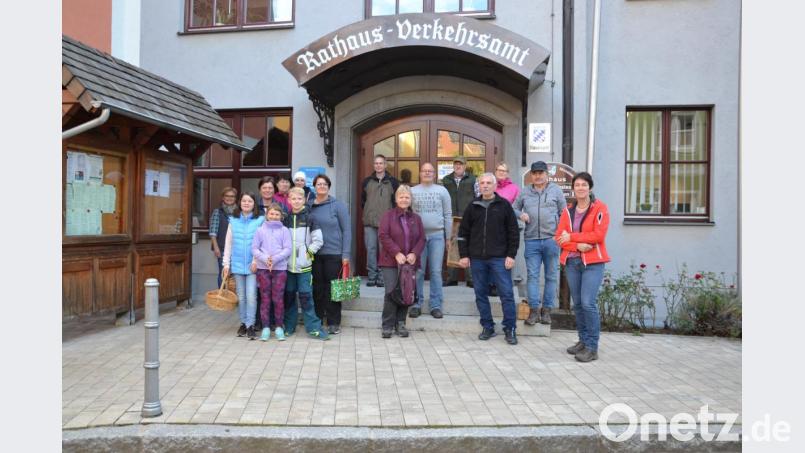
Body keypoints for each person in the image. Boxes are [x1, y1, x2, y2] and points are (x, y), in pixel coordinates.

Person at [457, 173, 520, 345]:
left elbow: (513, 233)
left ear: (494, 185)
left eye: (488, 183)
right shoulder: (473, 206)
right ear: (479, 186)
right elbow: (463, 234)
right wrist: (464, 255)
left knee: (506, 294)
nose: (485, 186)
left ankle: (510, 328)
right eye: (482, 183)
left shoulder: (504, 206)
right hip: (477, 259)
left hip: (500, 258)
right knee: (480, 294)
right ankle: (488, 326)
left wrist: (511, 255)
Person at [555, 172, 610, 363]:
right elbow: (559, 238)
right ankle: (583, 341)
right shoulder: (567, 211)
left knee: (588, 303)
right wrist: (575, 245)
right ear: (573, 188)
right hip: (572, 262)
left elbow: (598, 236)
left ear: (590, 187)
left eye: (584, 185)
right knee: (577, 304)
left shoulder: (600, 208)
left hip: (593, 263)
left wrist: (572, 237)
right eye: (577, 185)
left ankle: (592, 347)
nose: (580, 188)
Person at [512, 161, 567, 325]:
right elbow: (513, 208)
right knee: (533, 277)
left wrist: (559, 234)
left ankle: (547, 311)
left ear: (546, 174)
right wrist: (520, 214)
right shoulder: (525, 192)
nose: (537, 176)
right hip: (531, 240)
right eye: (534, 173)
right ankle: (534, 311)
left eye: (540, 173)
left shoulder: (555, 191)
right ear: (531, 175)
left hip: (551, 240)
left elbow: (564, 214)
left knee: (551, 277)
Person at [378, 185, 425, 338]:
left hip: (409, 263)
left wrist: (414, 254)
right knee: (391, 292)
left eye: (407, 197)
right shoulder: (388, 215)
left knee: (406, 292)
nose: (404, 200)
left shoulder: (416, 218)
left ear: (411, 200)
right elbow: (383, 235)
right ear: (396, 199)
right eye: (401, 197)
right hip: (390, 261)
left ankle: (401, 323)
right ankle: (387, 325)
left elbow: (422, 239)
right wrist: (396, 252)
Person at [283, 187, 329, 340]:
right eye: (293, 199)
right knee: (289, 297)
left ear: (304, 200)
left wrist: (308, 254)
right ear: (289, 200)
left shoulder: (310, 218)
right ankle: (289, 326)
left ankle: (314, 328)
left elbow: (318, 240)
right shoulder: (285, 218)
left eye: (299, 199)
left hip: (304, 267)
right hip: (288, 267)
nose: (296, 201)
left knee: (306, 297)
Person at [309, 174, 352, 334]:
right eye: (319, 184)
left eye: (324, 184)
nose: (321, 186)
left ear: (328, 186)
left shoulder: (338, 205)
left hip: (334, 253)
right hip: (314, 254)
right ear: (314, 187)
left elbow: (347, 230)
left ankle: (334, 322)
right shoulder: (309, 206)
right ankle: (318, 319)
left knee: (333, 289)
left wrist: (346, 254)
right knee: (318, 288)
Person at [409, 163, 452, 319]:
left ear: (434, 174)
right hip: (417, 238)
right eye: (424, 171)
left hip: (437, 236)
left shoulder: (442, 191)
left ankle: (435, 305)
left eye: (430, 171)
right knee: (418, 271)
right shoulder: (412, 191)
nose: (427, 173)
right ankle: (416, 303)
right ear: (420, 173)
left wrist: (448, 237)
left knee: (435, 271)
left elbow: (448, 214)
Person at [222, 191, 264, 340]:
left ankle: (251, 325)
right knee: (241, 296)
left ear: (254, 204)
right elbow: (228, 244)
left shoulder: (259, 220)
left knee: (251, 296)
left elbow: (262, 244)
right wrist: (226, 264)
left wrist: (255, 261)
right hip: (238, 264)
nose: (246, 203)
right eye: (244, 201)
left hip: (253, 266)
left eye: (250, 201)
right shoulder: (233, 221)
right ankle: (243, 323)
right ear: (240, 203)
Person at [252, 203, 292, 341]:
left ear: (281, 216)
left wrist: (274, 260)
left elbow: (287, 249)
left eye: (277, 214)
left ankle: (279, 326)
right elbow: (255, 249)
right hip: (263, 269)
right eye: (271, 213)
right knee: (265, 298)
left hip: (279, 269)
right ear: (267, 215)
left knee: (278, 298)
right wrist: (265, 259)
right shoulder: (260, 230)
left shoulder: (285, 230)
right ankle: (266, 327)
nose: (274, 216)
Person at [361, 154, 400, 287]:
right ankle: (372, 275)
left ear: (385, 165)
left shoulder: (393, 182)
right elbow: (363, 201)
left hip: (386, 223)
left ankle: (383, 276)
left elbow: (396, 203)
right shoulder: (367, 182)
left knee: (385, 250)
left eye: (380, 163)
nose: (378, 165)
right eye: (376, 163)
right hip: (370, 222)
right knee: (371, 249)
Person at [443, 156, 476, 287]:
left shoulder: (473, 179)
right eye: (456, 164)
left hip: (468, 218)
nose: (458, 166)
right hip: (451, 217)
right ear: (453, 166)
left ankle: (471, 278)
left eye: (460, 164)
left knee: (469, 247)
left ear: (465, 166)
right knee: (452, 246)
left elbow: (477, 197)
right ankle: (452, 278)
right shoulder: (446, 180)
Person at [209, 186, 237, 287]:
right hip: (221, 248)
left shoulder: (239, 212)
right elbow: (213, 232)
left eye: (232, 196)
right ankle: (222, 297)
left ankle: (232, 296)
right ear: (223, 197)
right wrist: (216, 248)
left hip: (237, 247)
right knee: (223, 272)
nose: (229, 198)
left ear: (235, 198)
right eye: (227, 196)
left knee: (235, 273)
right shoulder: (218, 212)